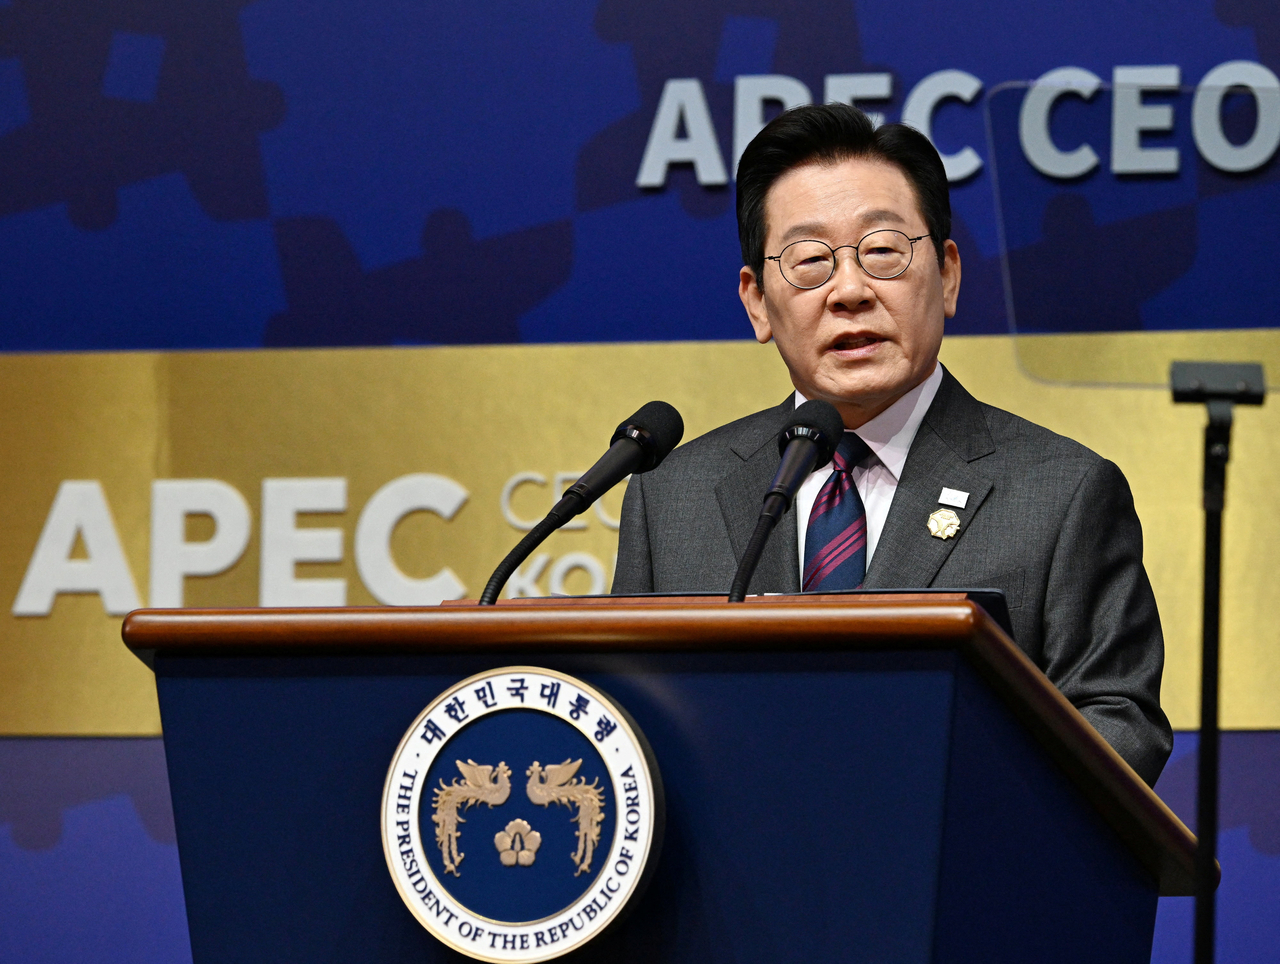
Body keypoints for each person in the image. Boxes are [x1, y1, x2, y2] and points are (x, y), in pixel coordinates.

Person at [611, 104, 1172, 787]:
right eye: (810, 261)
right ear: (757, 302)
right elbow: (627, 728)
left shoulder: (1062, 494)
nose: (850, 290)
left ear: (948, 274)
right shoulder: (673, 496)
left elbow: (1117, 729)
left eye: (882, 251)